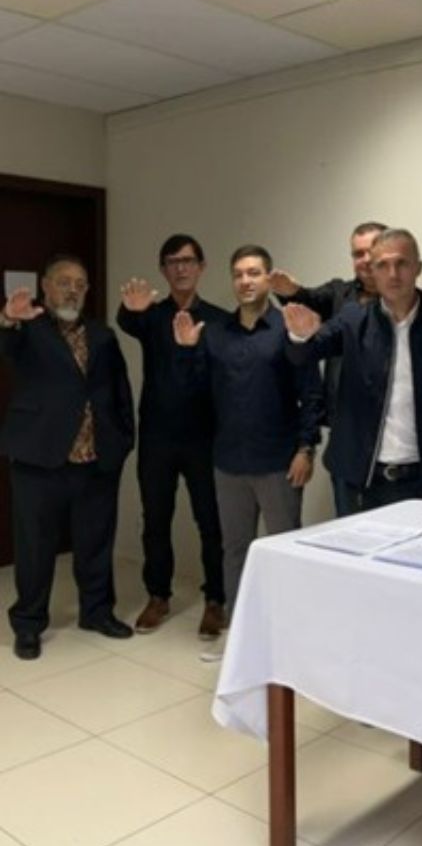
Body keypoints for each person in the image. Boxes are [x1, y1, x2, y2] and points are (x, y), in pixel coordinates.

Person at [173, 246, 322, 659]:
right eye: (238, 274)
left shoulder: (287, 326)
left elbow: (311, 392)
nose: (245, 281)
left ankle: (287, 643)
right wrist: (186, 351)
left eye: (254, 273)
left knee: (284, 552)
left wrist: (306, 448)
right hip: (229, 463)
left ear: (268, 278)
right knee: (235, 551)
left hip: (279, 463)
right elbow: (196, 393)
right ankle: (240, 638)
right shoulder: (216, 333)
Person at [283, 229, 422, 512]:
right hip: (359, 479)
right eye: (383, 265)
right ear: (372, 272)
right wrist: (300, 336)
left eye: (402, 263)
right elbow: (305, 353)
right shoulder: (353, 320)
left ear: (418, 268)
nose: (393, 274)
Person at [1, 257, 136, 660]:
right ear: (46, 286)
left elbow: (119, 390)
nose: (72, 290)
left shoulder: (102, 335)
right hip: (39, 459)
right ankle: (28, 624)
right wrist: (7, 319)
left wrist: (123, 440)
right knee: (34, 547)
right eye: (63, 282)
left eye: (80, 284)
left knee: (96, 543)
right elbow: (5, 345)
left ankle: (97, 612)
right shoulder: (28, 329)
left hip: (95, 459)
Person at [116, 234, 228, 637]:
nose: (181, 268)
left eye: (188, 260)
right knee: (156, 520)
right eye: (172, 261)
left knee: (211, 521)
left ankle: (216, 599)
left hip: (204, 437)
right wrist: (129, 310)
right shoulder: (151, 315)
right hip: (158, 437)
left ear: (201, 266)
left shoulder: (219, 320)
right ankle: (158, 595)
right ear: (163, 269)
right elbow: (129, 321)